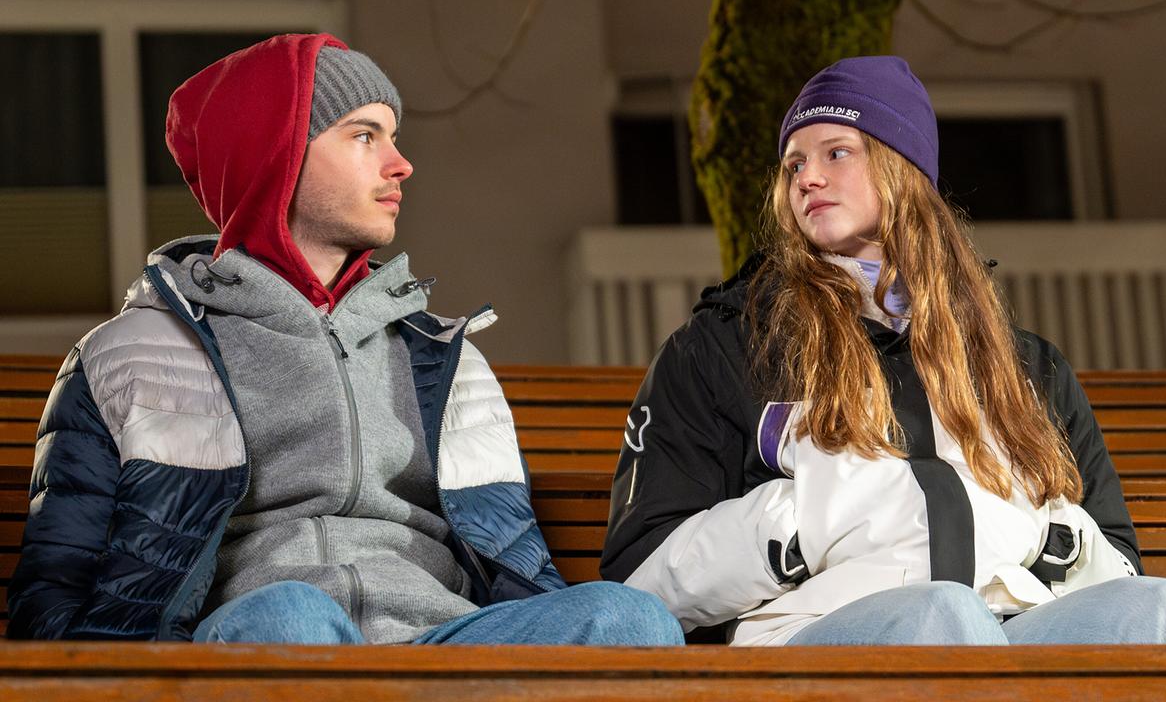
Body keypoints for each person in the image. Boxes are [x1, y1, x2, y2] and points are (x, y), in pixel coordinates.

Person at [8, 33, 682, 646]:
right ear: (277, 158)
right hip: (263, 643)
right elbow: (58, 587)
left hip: (442, 644)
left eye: (393, 137)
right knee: (291, 617)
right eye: (365, 136)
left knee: (633, 619)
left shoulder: (446, 360)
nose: (400, 164)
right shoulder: (136, 355)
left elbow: (512, 557)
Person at [599, 56, 1166, 647]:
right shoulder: (726, 346)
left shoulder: (1023, 365)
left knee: (1164, 609)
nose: (807, 178)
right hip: (808, 631)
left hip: (1009, 623)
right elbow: (641, 575)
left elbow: (1114, 559)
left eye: (836, 152)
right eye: (794, 164)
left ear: (902, 169)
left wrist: (1040, 530)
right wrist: (800, 524)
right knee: (945, 615)